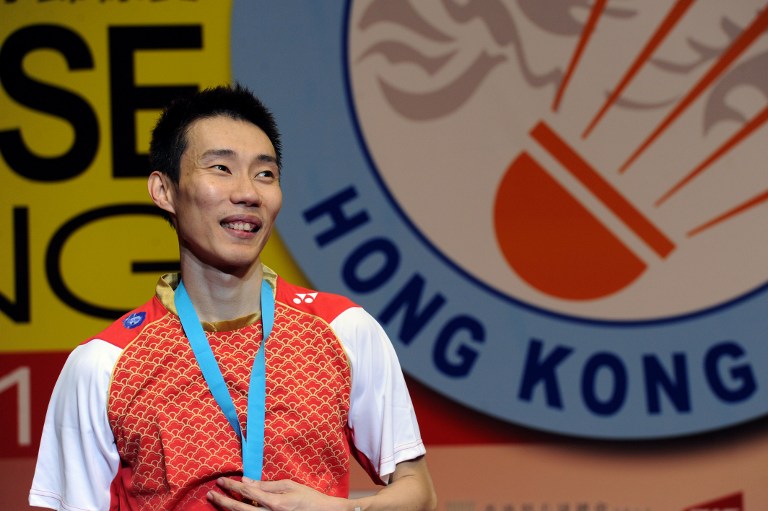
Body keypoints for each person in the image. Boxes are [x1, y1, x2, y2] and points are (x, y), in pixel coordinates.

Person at [29, 84, 437, 511]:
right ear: (163, 191)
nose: (248, 192)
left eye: (265, 174)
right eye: (221, 168)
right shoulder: (102, 365)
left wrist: (338, 510)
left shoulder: (344, 329)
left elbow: (420, 495)